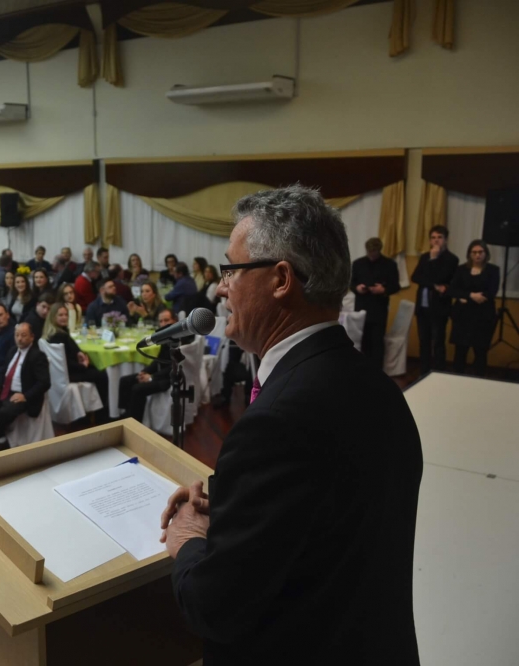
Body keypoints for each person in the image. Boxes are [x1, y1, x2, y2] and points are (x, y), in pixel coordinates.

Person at [161, 185, 422, 666]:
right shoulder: (378, 387)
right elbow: (320, 503)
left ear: (281, 279)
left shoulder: (279, 423)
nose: (220, 288)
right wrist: (224, 496)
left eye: (231, 270)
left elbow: (214, 608)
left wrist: (187, 539)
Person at [0, 322, 51, 452]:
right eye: (17, 335)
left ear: (32, 337)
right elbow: (3, 371)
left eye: (23, 335)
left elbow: (45, 382)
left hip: (22, 394)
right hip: (5, 390)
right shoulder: (13, 350)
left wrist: (25, 396)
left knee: (3, 413)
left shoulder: (37, 356)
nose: (19, 338)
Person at [44, 302, 109, 420]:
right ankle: (102, 416)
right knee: (101, 375)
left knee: (97, 371)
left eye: (65, 315)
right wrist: (83, 366)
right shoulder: (59, 336)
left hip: (59, 375)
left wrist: (79, 352)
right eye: (60, 315)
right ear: (53, 317)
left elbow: (72, 347)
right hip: (69, 374)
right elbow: (67, 364)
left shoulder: (56, 332)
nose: (64, 317)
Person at [411, 225, 459, 375]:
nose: (436, 240)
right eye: (433, 238)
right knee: (424, 341)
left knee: (438, 341)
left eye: (439, 237)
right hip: (423, 306)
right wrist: (434, 285)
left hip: (439, 307)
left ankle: (439, 372)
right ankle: (424, 371)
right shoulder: (425, 257)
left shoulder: (451, 259)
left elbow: (441, 277)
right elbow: (416, 277)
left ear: (445, 240)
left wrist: (434, 261)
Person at [449, 240, 499, 376]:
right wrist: (470, 295)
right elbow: (453, 290)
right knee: (460, 350)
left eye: (480, 252)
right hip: (462, 316)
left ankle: (479, 380)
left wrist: (466, 298)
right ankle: (457, 378)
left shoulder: (493, 270)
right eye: (474, 252)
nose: (477, 255)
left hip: (483, 317)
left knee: (480, 351)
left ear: (485, 253)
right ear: (469, 254)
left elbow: (490, 292)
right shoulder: (461, 269)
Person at [351, 238, 402, 369]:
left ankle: (378, 372)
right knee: (362, 340)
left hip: (379, 308)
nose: (371, 254)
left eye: (374, 252)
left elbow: (396, 286)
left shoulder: (389, 264)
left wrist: (383, 290)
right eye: (369, 252)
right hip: (361, 307)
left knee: (377, 341)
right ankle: (363, 369)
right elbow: (351, 283)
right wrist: (357, 288)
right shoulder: (358, 263)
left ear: (379, 250)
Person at [118, 308, 176, 421]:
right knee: (125, 381)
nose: (163, 324)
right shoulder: (166, 336)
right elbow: (159, 360)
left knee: (137, 388)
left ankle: (135, 423)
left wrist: (152, 377)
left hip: (168, 379)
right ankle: (125, 415)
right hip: (160, 374)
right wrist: (145, 371)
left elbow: (174, 366)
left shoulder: (178, 339)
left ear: (174, 320)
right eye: (161, 321)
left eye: (166, 320)